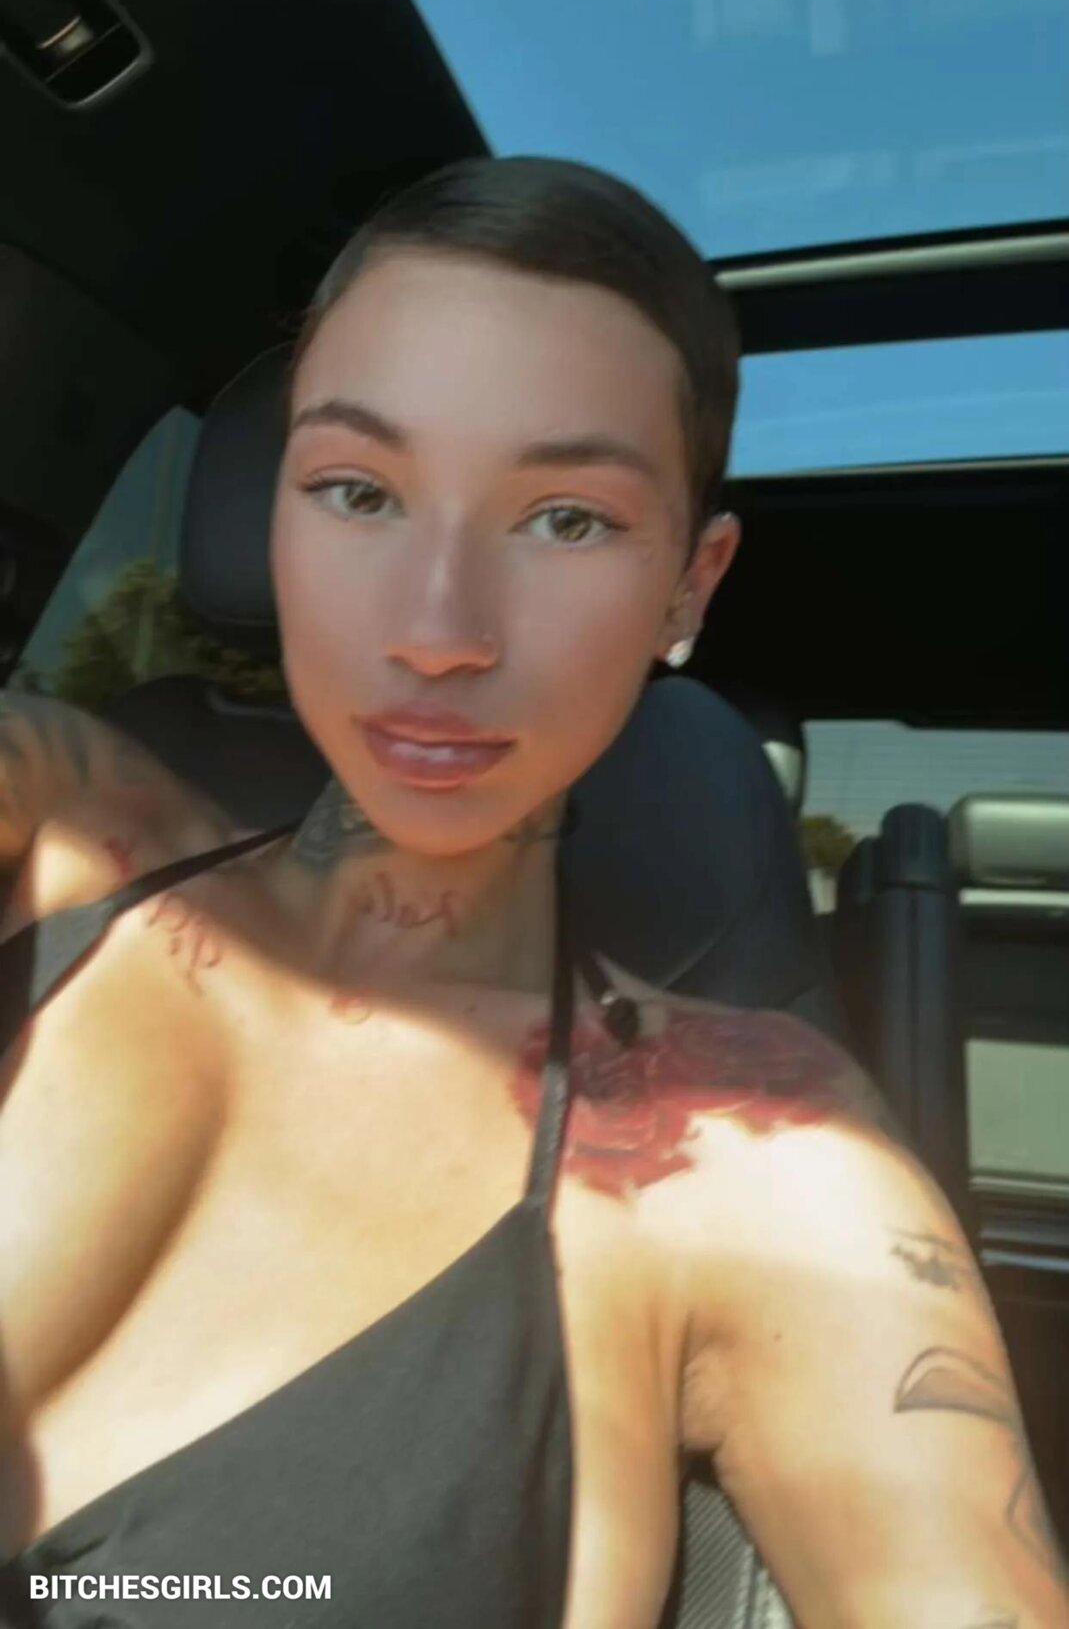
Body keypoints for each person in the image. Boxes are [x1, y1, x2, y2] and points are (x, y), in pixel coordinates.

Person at [0, 157, 1064, 1629]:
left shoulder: (758, 1164)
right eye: (357, 492)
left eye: (566, 518)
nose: (438, 631)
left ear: (688, 587)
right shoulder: (50, 824)